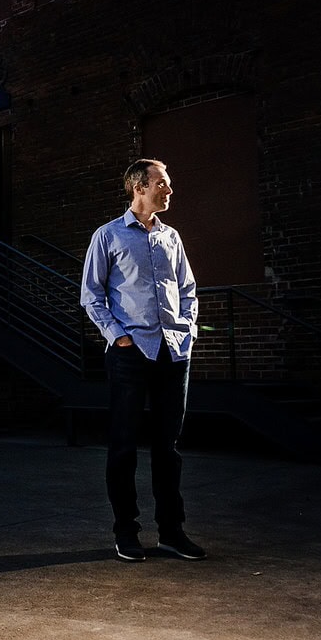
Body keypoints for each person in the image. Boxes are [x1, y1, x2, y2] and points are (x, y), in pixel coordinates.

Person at [79, 158, 207, 563]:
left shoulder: (172, 238)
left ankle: (171, 532)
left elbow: (188, 288)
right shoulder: (108, 236)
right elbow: (91, 295)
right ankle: (126, 532)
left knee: (168, 447)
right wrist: (117, 337)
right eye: (162, 184)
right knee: (123, 447)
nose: (169, 191)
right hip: (130, 355)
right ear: (139, 187)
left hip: (173, 351)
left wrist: (187, 330)